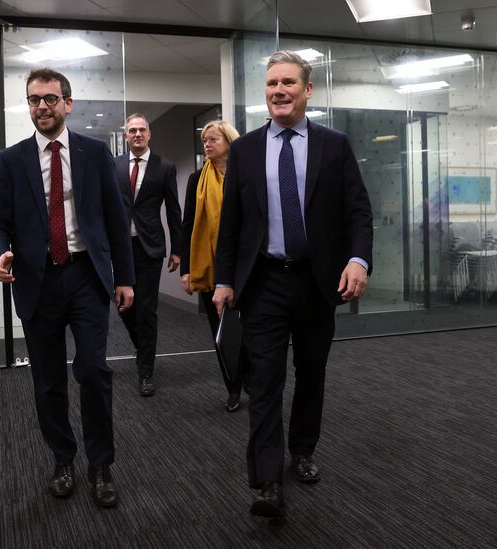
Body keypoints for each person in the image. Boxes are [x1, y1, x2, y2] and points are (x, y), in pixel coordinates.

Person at [213, 51, 374, 518]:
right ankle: (266, 480)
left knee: (311, 372)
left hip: (316, 282)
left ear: (307, 90)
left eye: (288, 82)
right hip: (263, 282)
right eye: (271, 83)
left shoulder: (334, 146)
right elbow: (231, 224)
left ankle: (302, 449)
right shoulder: (245, 150)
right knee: (264, 380)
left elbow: (358, 212)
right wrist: (224, 279)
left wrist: (358, 260)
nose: (278, 90)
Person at [0, 68, 134, 507]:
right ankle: (63, 459)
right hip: (38, 280)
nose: (42, 107)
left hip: (86, 275)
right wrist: (0, 253)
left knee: (93, 370)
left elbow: (114, 220)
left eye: (50, 98)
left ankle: (101, 464)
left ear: (67, 103)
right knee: (48, 380)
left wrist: (125, 278)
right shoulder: (10, 160)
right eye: (34, 99)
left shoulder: (94, 153)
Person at [180, 120, 249, 413]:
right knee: (221, 331)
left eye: (213, 139)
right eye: (205, 140)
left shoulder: (246, 173)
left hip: (245, 265)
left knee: (250, 330)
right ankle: (233, 388)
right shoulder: (197, 179)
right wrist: (186, 268)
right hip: (210, 266)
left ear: (229, 142)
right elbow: (187, 225)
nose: (207, 144)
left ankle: (253, 382)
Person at [114, 113, 182, 397]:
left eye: (142, 130)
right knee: (123, 306)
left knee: (147, 310)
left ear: (149, 134)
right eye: (132, 130)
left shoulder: (164, 167)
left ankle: (146, 372)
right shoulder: (114, 165)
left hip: (149, 247)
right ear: (126, 136)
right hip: (120, 248)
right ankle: (142, 348)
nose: (137, 134)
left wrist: (177, 249)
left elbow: (174, 210)